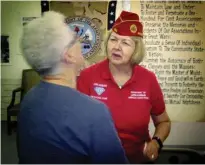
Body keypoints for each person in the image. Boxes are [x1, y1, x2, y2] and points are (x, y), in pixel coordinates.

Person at [17, 11, 128, 164]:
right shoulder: (94, 112)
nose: (81, 42)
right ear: (68, 55)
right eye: (75, 38)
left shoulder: (29, 98)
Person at [77, 10, 171, 164]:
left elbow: (163, 122)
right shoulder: (88, 76)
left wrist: (156, 143)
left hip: (137, 160)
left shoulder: (148, 79)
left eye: (125, 42)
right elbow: (76, 124)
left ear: (136, 50)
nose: (117, 47)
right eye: (113, 40)